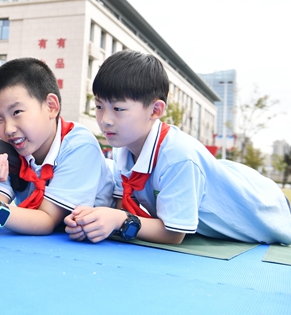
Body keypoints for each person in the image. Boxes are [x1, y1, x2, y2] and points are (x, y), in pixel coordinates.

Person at [65, 50, 291, 245]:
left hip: (270, 209)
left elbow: (174, 233)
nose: (105, 120)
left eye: (118, 109)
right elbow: (120, 204)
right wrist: (89, 219)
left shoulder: (178, 157)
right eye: (99, 106)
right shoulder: (123, 148)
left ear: (155, 110)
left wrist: (119, 220)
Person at [0, 57, 114, 235]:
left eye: (17, 112)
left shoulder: (79, 146)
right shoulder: (10, 150)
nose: (9, 129)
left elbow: (46, 220)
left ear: (51, 106)